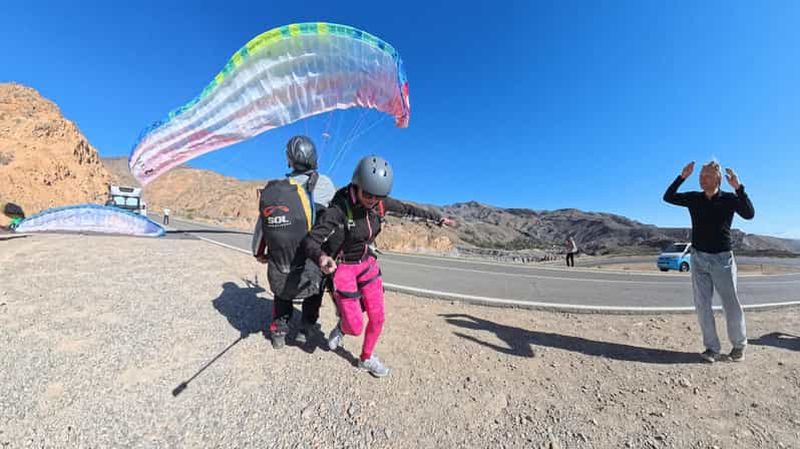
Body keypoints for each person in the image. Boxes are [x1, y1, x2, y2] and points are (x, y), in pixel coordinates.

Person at [303, 155, 454, 378]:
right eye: (368, 195)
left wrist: (437, 217)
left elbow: (408, 209)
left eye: (379, 196)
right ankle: (342, 328)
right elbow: (311, 240)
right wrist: (322, 258)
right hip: (343, 267)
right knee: (355, 326)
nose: (372, 200)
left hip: (367, 264)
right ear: (357, 185)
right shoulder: (339, 208)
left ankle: (366, 358)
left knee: (377, 317)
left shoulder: (380, 204)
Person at [663, 160, 755, 363]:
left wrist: (739, 188)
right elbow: (668, 197)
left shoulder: (729, 199)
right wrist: (682, 176)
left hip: (722, 259)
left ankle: (739, 346)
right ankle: (712, 348)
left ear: (718, 179)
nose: (702, 179)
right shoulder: (694, 198)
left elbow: (749, 214)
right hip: (698, 258)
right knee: (702, 304)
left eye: (707, 175)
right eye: (700, 175)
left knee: (730, 305)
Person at [252, 136, 336, 349]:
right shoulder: (325, 184)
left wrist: (259, 253)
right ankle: (306, 328)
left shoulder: (277, 191)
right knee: (315, 289)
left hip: (280, 263)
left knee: (282, 294)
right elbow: (332, 223)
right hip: (310, 263)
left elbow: (262, 226)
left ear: (289, 160)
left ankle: (279, 331)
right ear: (314, 157)